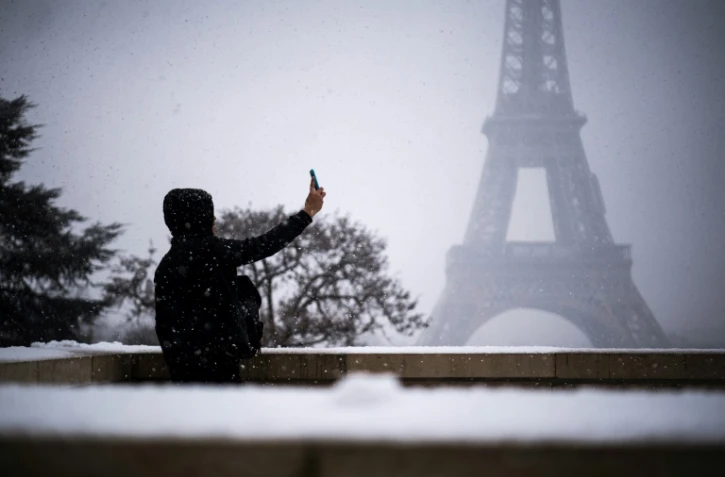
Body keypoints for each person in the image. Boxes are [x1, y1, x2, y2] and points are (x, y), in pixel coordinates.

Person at [154, 176, 326, 384]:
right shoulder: (214, 252)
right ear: (202, 218)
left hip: (181, 371)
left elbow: (165, 326)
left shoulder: (166, 265)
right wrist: (308, 212)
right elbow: (265, 244)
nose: (215, 220)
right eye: (210, 215)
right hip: (219, 372)